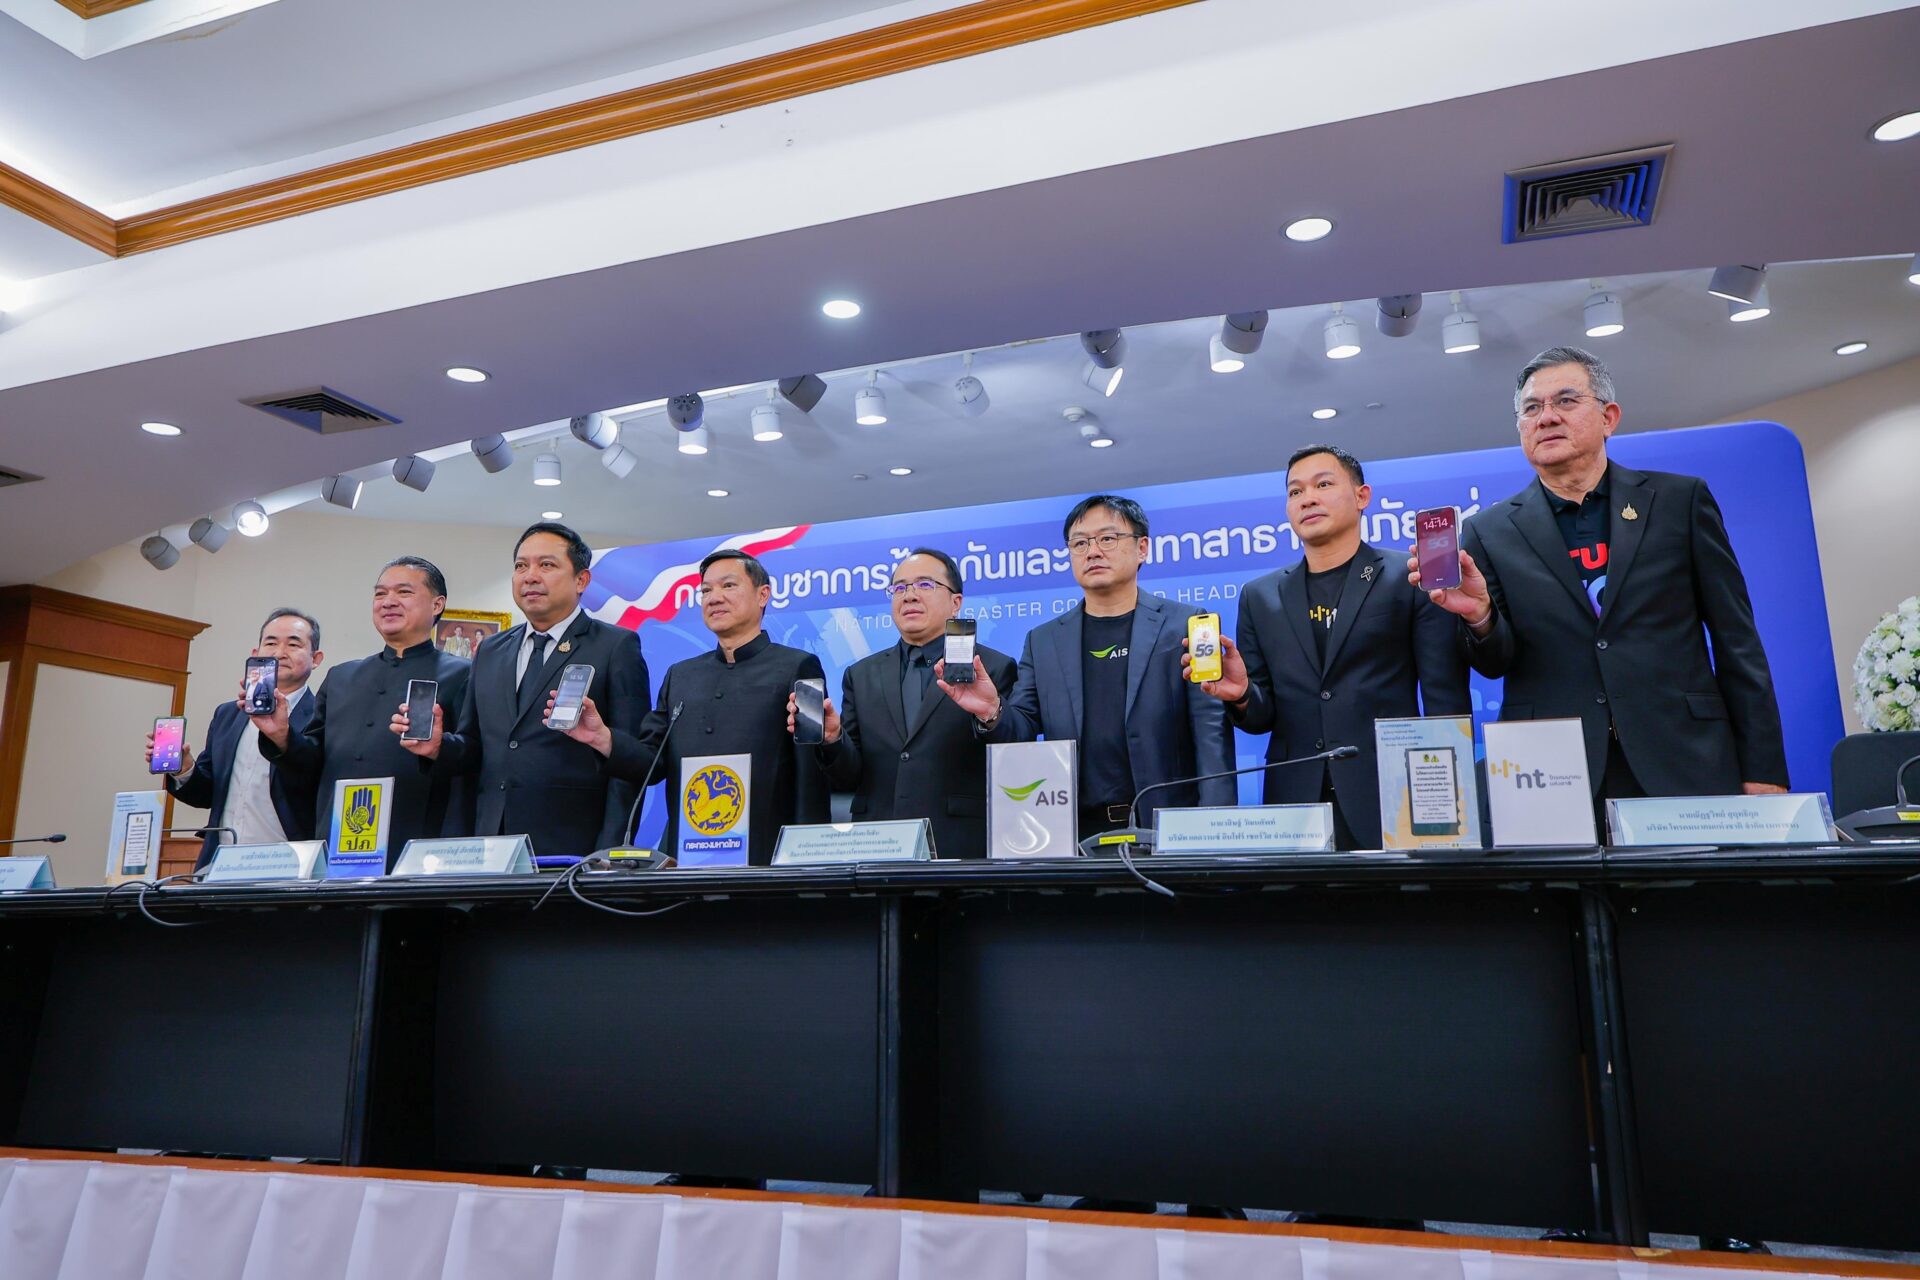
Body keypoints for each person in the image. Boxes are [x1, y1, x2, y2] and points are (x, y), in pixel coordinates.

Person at [1411, 345, 1788, 808]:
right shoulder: (1488, 531)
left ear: (1609, 418)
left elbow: (1737, 639)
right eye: (1532, 408)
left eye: (1566, 401)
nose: (1547, 417)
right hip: (1547, 772)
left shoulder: (1679, 501)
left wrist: (1763, 768)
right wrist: (1480, 617)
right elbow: (1495, 662)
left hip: (1682, 756)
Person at [1184, 445, 1470, 849]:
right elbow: (1261, 718)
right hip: (1294, 802)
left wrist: (1450, 801)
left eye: (1323, 485)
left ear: (1362, 496)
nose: (1307, 499)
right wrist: (1243, 695)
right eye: (1295, 491)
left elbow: (1445, 698)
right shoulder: (1260, 596)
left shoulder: (1408, 579)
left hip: (1391, 793)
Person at [940, 494, 1234, 836]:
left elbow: (1211, 731)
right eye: (1079, 543)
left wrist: (1215, 827)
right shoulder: (1044, 640)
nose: (1092, 551)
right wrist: (991, 710)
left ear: (1142, 548)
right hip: (1075, 835)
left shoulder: (1188, 624)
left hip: (1167, 828)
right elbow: (1021, 732)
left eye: (1107, 538)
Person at [555, 549, 828, 865]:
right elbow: (651, 762)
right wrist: (602, 738)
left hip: (764, 856)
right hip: (687, 855)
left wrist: (805, 860)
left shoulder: (801, 666)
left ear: (763, 594)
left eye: (728, 586)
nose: (714, 598)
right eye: (706, 590)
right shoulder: (681, 676)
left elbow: (811, 775)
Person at [398, 523, 649, 856]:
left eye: (546, 565)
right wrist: (438, 747)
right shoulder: (491, 650)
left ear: (581, 580)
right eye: (521, 566)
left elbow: (634, 761)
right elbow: (474, 745)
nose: (530, 576)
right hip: (491, 844)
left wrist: (609, 853)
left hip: (573, 848)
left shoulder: (616, 646)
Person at [797, 548, 1017, 857]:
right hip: (877, 846)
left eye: (925, 584)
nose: (909, 595)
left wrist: (990, 714)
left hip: (958, 847)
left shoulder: (992, 668)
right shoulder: (861, 675)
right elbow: (849, 776)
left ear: (956, 602)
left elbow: (1012, 757)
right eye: (899, 588)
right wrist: (833, 739)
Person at [256, 560, 471, 866]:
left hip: (420, 845)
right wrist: (281, 735)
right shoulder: (341, 677)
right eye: (380, 593)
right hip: (339, 840)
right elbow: (311, 763)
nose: (388, 601)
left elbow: (477, 754)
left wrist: (439, 747)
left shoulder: (464, 674)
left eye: (403, 592)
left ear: (437, 604)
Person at [149, 608, 324, 868]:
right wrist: (184, 768)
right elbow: (207, 795)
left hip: (290, 864)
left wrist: (282, 737)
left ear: (316, 658)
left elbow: (316, 782)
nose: (279, 652)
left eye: (293, 644)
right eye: (271, 643)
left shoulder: (324, 716)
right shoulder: (228, 715)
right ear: (255, 653)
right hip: (222, 863)